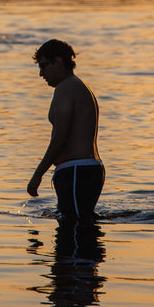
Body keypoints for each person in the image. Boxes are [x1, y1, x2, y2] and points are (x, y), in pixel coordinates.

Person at [27, 39, 105, 219]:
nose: (41, 73)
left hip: (77, 171)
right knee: (75, 225)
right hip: (81, 170)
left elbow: (60, 138)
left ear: (58, 62)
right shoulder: (76, 86)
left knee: (75, 227)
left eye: (43, 66)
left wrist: (37, 175)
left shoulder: (66, 88)